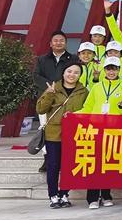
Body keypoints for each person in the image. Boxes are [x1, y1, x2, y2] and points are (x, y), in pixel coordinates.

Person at [35, 63, 89, 209]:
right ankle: (53, 195)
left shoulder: (83, 91)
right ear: (63, 73)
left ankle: (64, 193)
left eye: (76, 72)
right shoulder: (54, 88)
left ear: (80, 75)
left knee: (69, 166)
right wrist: (49, 94)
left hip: (74, 134)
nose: (72, 75)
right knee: (53, 165)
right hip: (54, 134)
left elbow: (87, 110)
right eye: (69, 71)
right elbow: (40, 109)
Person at [79, 56, 122, 209]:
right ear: (104, 70)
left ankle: (106, 195)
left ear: (119, 70)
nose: (111, 72)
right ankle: (93, 198)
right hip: (96, 130)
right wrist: (74, 115)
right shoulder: (96, 87)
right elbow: (88, 107)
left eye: (114, 69)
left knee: (108, 164)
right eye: (108, 69)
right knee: (94, 164)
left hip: (113, 131)